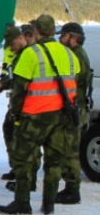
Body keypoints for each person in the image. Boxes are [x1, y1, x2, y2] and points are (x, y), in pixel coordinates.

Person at [0, 15, 80, 215]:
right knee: (54, 162)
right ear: (53, 31)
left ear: (36, 31)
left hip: (34, 115)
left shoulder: (31, 54)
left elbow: (19, 91)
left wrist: (16, 115)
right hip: (61, 116)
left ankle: (22, 202)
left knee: (24, 160)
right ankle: (48, 204)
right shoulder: (69, 54)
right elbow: (76, 81)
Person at [0, 24, 40, 187]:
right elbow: (16, 79)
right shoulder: (20, 55)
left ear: (20, 38)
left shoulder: (30, 54)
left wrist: (17, 110)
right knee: (11, 132)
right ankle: (18, 169)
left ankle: (28, 177)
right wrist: (2, 84)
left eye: (12, 44)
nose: (11, 48)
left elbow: (26, 82)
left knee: (28, 142)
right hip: (20, 104)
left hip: (29, 105)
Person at [55, 22, 91, 205]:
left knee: (70, 150)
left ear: (74, 37)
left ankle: (72, 190)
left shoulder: (77, 57)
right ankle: (70, 188)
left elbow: (72, 82)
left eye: (63, 35)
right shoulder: (75, 55)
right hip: (74, 107)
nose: (60, 38)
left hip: (74, 108)